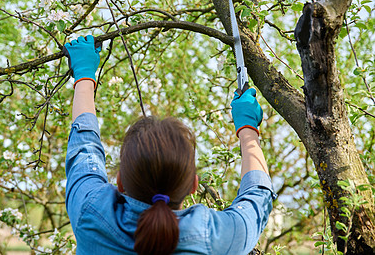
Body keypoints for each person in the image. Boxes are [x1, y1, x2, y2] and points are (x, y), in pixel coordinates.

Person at [64, 35, 276, 255]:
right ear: (193, 185)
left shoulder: (92, 211)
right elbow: (257, 197)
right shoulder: (213, 236)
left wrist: (84, 74)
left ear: (120, 182)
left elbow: (84, 148)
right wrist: (248, 128)